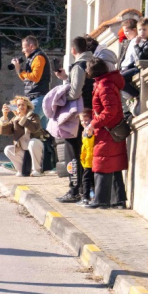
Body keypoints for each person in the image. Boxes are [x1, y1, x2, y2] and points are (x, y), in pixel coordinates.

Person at [83, 58, 128, 209]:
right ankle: (118, 200)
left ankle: (101, 200)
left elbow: (110, 111)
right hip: (110, 130)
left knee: (103, 163)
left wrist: (93, 124)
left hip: (107, 131)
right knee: (113, 165)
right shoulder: (105, 83)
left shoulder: (104, 86)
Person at [58, 37, 93, 203]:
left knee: (72, 150)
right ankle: (83, 188)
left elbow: (75, 92)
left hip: (80, 113)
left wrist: (63, 94)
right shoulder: (93, 62)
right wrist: (66, 78)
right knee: (83, 151)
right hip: (88, 113)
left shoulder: (79, 66)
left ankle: (74, 189)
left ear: (73, 50)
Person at [0, 96, 49, 177]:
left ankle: (37, 170)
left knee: (33, 143)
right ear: (15, 107)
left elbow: (34, 129)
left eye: (23, 105)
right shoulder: (15, 119)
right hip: (24, 151)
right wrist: (4, 116)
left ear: (27, 106)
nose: (21, 107)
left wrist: (22, 118)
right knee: (8, 149)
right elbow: (4, 132)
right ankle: (22, 169)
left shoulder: (34, 116)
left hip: (38, 149)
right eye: (18, 105)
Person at [12, 35, 51, 124]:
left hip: (39, 97)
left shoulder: (38, 58)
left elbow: (35, 78)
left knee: (27, 123)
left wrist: (21, 70)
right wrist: (18, 70)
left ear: (31, 46)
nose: (22, 50)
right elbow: (26, 79)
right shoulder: (31, 58)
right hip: (34, 97)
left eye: (24, 47)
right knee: (41, 130)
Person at [78, 108, 96, 203]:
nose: (84, 122)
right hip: (86, 160)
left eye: (86, 120)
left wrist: (88, 134)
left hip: (90, 160)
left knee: (86, 180)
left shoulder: (90, 130)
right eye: (81, 120)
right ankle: (92, 196)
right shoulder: (84, 130)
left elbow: (89, 145)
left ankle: (85, 197)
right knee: (90, 180)